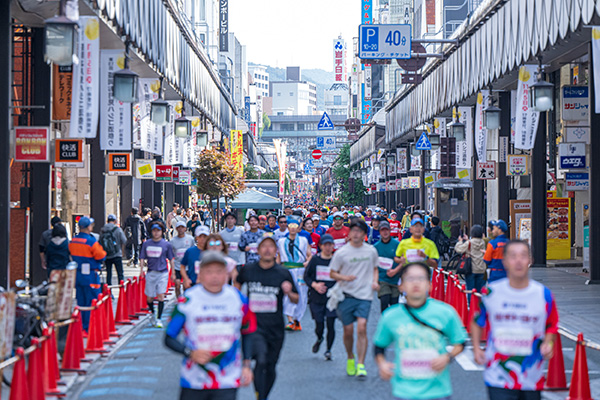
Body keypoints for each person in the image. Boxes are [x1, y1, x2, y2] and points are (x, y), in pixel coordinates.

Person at [472, 240, 559, 400]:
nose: (518, 261)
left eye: (523, 256)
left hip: (531, 375)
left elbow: (552, 325)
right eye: (513, 256)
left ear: (530, 261)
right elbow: (477, 321)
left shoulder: (543, 294)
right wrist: (477, 348)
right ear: (504, 261)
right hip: (498, 375)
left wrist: (548, 343)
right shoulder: (490, 293)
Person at [164, 251, 256, 400]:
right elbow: (169, 338)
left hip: (227, 379)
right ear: (200, 274)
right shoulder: (187, 300)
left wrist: (246, 366)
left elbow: (249, 332)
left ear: (227, 275)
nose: (214, 276)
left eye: (219, 272)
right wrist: (190, 353)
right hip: (194, 380)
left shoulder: (239, 299)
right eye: (209, 272)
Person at [374, 262, 467, 400]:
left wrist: (447, 357)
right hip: (404, 391)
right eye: (410, 279)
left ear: (429, 285)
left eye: (421, 278)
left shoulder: (445, 312)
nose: (416, 283)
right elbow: (379, 347)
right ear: (401, 286)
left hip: (437, 391)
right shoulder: (391, 316)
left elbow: (460, 342)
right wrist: (382, 364)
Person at [235, 236, 299, 400]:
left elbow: (296, 299)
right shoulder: (248, 269)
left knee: (270, 365)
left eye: (271, 246)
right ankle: (261, 397)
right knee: (261, 360)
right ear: (258, 250)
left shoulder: (283, 273)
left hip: (275, 327)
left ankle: (262, 395)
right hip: (254, 326)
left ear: (276, 251)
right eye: (264, 246)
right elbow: (237, 284)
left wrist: (288, 292)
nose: (268, 249)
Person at [330, 219, 379, 379]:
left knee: (362, 327)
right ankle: (350, 356)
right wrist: (344, 277)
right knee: (348, 331)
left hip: (364, 295)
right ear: (349, 233)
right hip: (346, 295)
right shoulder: (341, 253)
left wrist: (375, 281)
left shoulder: (371, 251)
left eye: (359, 231)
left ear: (364, 234)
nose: (356, 234)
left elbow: (375, 268)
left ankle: (361, 364)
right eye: (353, 231)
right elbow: (332, 273)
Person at [69, 217, 106, 331]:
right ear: (88, 227)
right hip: (90, 274)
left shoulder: (73, 241)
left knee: (80, 300)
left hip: (78, 274)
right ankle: (88, 327)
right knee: (92, 301)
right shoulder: (90, 241)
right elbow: (101, 256)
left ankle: (80, 326)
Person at [304, 234, 337, 360]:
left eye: (330, 245)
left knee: (330, 323)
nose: (328, 248)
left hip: (332, 298)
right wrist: (315, 285)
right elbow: (307, 276)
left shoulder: (336, 260)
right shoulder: (315, 260)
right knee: (319, 324)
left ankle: (328, 350)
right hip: (316, 298)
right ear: (321, 246)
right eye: (325, 245)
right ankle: (319, 338)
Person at [277, 217, 311, 331]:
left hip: (300, 271)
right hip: (287, 270)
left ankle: (297, 320)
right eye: (290, 226)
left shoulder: (303, 240)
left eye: (295, 226)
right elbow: (278, 257)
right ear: (287, 227)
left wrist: (308, 262)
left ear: (298, 227)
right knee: (287, 294)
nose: (292, 228)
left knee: (302, 295)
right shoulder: (281, 241)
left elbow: (309, 254)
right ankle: (290, 320)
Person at [140, 221, 175, 328]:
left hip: (163, 273)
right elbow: (142, 257)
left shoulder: (166, 244)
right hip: (151, 272)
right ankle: (152, 312)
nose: (156, 233)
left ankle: (159, 318)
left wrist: (172, 272)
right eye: (154, 231)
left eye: (158, 231)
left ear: (162, 232)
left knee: (161, 295)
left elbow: (171, 259)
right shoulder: (146, 244)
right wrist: (141, 270)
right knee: (149, 298)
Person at [374, 221, 402, 312]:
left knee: (394, 304)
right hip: (382, 279)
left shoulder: (397, 244)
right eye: (382, 230)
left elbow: (403, 261)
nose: (385, 232)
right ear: (379, 232)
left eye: (387, 230)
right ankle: (384, 323)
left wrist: (395, 271)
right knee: (384, 300)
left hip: (395, 279)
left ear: (390, 230)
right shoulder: (376, 247)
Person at [454, 224, 487, 299]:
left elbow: (459, 249)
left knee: (471, 291)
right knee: (480, 292)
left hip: (471, 269)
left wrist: (460, 241)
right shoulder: (483, 242)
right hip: (482, 269)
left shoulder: (469, 243)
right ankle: (480, 308)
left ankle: (472, 307)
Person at [100, 214, 128, 286]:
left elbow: (100, 242)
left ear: (107, 221)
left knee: (109, 273)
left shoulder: (103, 230)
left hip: (107, 255)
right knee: (120, 273)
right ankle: (121, 287)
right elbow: (124, 241)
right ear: (115, 221)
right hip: (117, 254)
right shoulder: (118, 229)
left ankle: (108, 289)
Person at [180, 226, 210, 290]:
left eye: (205, 237)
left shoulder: (212, 252)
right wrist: (186, 279)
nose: (202, 239)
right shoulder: (190, 251)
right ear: (196, 237)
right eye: (200, 236)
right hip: (193, 284)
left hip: (209, 285)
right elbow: (182, 266)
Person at [170, 221, 195, 297]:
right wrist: (172, 271)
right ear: (176, 229)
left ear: (185, 228)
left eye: (182, 227)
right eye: (179, 227)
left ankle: (185, 300)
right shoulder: (173, 241)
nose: (181, 229)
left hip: (187, 266)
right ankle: (178, 299)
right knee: (177, 284)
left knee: (186, 285)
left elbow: (193, 251)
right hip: (177, 266)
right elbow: (171, 256)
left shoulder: (190, 239)